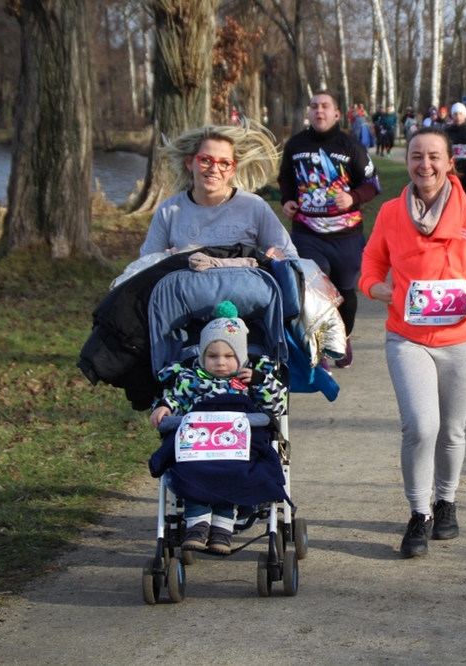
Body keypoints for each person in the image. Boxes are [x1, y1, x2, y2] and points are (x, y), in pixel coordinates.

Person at [359, 126, 466, 558]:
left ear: (449, 163)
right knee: (421, 426)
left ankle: (446, 501)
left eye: (433, 157)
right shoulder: (391, 212)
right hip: (408, 338)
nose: (424, 165)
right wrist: (376, 288)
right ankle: (419, 513)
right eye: (416, 156)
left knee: (451, 429)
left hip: (463, 338)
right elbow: (370, 264)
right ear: (407, 161)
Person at [148, 301, 288, 555]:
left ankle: (222, 528)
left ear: (241, 356)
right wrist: (164, 407)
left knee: (234, 471)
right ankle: (197, 524)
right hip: (198, 445)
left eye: (229, 356)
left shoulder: (250, 379)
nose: (220, 363)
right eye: (212, 356)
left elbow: (277, 405)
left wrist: (260, 382)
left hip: (239, 445)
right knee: (189, 468)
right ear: (202, 356)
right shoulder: (191, 379)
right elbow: (177, 400)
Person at [278, 90, 379, 368]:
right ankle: (320, 348)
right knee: (315, 289)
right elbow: (285, 179)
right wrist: (287, 200)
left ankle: (343, 337)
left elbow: (372, 184)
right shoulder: (295, 144)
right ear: (309, 112)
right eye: (314, 106)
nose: (318, 111)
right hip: (307, 231)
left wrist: (353, 197)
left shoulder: (351, 146)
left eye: (325, 106)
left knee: (345, 292)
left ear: (337, 113)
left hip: (346, 235)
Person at [140, 119, 298, 260]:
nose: (214, 169)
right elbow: (144, 266)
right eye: (206, 160)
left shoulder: (254, 207)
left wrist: (278, 258)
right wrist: (162, 260)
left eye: (224, 163)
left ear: (233, 170)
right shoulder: (169, 211)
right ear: (189, 162)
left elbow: (291, 257)